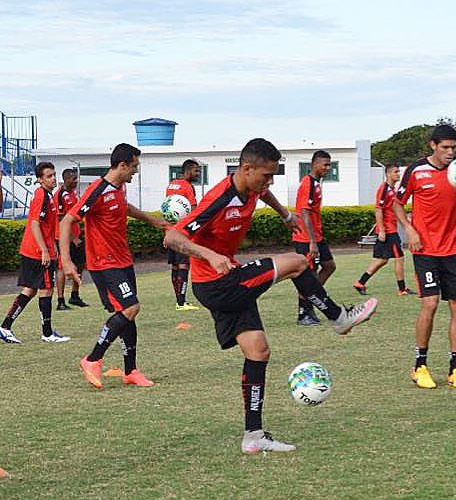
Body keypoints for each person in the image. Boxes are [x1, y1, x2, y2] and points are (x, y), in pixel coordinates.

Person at [164, 138, 378, 454]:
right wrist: (208, 255)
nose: (270, 181)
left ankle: (253, 436)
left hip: (226, 281)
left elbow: (265, 193)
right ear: (246, 168)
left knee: (258, 351)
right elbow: (173, 236)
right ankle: (338, 317)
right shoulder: (220, 197)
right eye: (266, 175)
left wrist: (284, 214)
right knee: (298, 262)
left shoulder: (252, 187)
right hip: (217, 283)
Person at [61, 143, 169, 388]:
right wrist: (67, 262)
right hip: (104, 262)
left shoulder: (119, 187)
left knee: (127, 314)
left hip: (122, 260)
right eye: (134, 167)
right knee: (130, 308)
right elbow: (67, 220)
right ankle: (92, 358)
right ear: (122, 165)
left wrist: (153, 220)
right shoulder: (97, 190)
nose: (135, 172)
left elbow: (124, 208)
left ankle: (130, 371)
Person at [394, 124, 456, 390]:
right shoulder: (416, 170)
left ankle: (455, 369)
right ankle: (419, 365)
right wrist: (410, 230)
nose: (449, 152)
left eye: (453, 148)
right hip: (425, 249)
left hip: (455, 248)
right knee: (431, 303)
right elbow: (397, 203)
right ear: (433, 146)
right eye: (445, 147)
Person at [0, 162, 70, 344]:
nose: (53, 178)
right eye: (49, 176)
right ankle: (47, 333)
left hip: (33, 250)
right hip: (37, 252)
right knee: (46, 289)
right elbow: (34, 224)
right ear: (40, 179)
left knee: (30, 290)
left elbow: (46, 225)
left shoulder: (47, 195)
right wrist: (45, 250)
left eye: (54, 174)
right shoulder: (42, 196)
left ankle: (5, 327)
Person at [290, 150, 336, 326]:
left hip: (316, 235)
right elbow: (304, 212)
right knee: (308, 276)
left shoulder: (316, 183)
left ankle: (312, 299)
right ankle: (304, 313)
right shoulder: (308, 183)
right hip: (306, 238)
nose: (327, 168)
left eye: (329, 165)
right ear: (314, 164)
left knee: (329, 266)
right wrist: (312, 241)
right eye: (325, 164)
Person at [353, 164, 413, 296]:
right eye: (396, 172)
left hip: (391, 229)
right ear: (388, 174)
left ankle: (360, 283)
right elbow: (378, 209)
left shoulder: (392, 189)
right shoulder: (384, 188)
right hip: (389, 231)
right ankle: (402, 289)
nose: (398, 174)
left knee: (382, 260)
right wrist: (381, 230)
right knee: (400, 258)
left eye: (399, 172)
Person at [166, 159, 201, 311]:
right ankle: (181, 302)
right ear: (187, 171)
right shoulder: (187, 186)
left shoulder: (171, 185)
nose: (198, 174)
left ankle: (178, 300)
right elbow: (194, 210)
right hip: (183, 231)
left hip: (171, 229)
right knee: (184, 264)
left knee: (175, 265)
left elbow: (167, 207)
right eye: (196, 171)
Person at [53, 168, 89, 311]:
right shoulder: (60, 195)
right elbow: (61, 219)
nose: (76, 181)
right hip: (64, 237)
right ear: (66, 179)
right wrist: (73, 237)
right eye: (73, 179)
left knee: (80, 264)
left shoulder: (73, 194)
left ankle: (75, 295)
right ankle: (60, 300)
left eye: (76, 178)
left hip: (76, 236)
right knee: (62, 268)